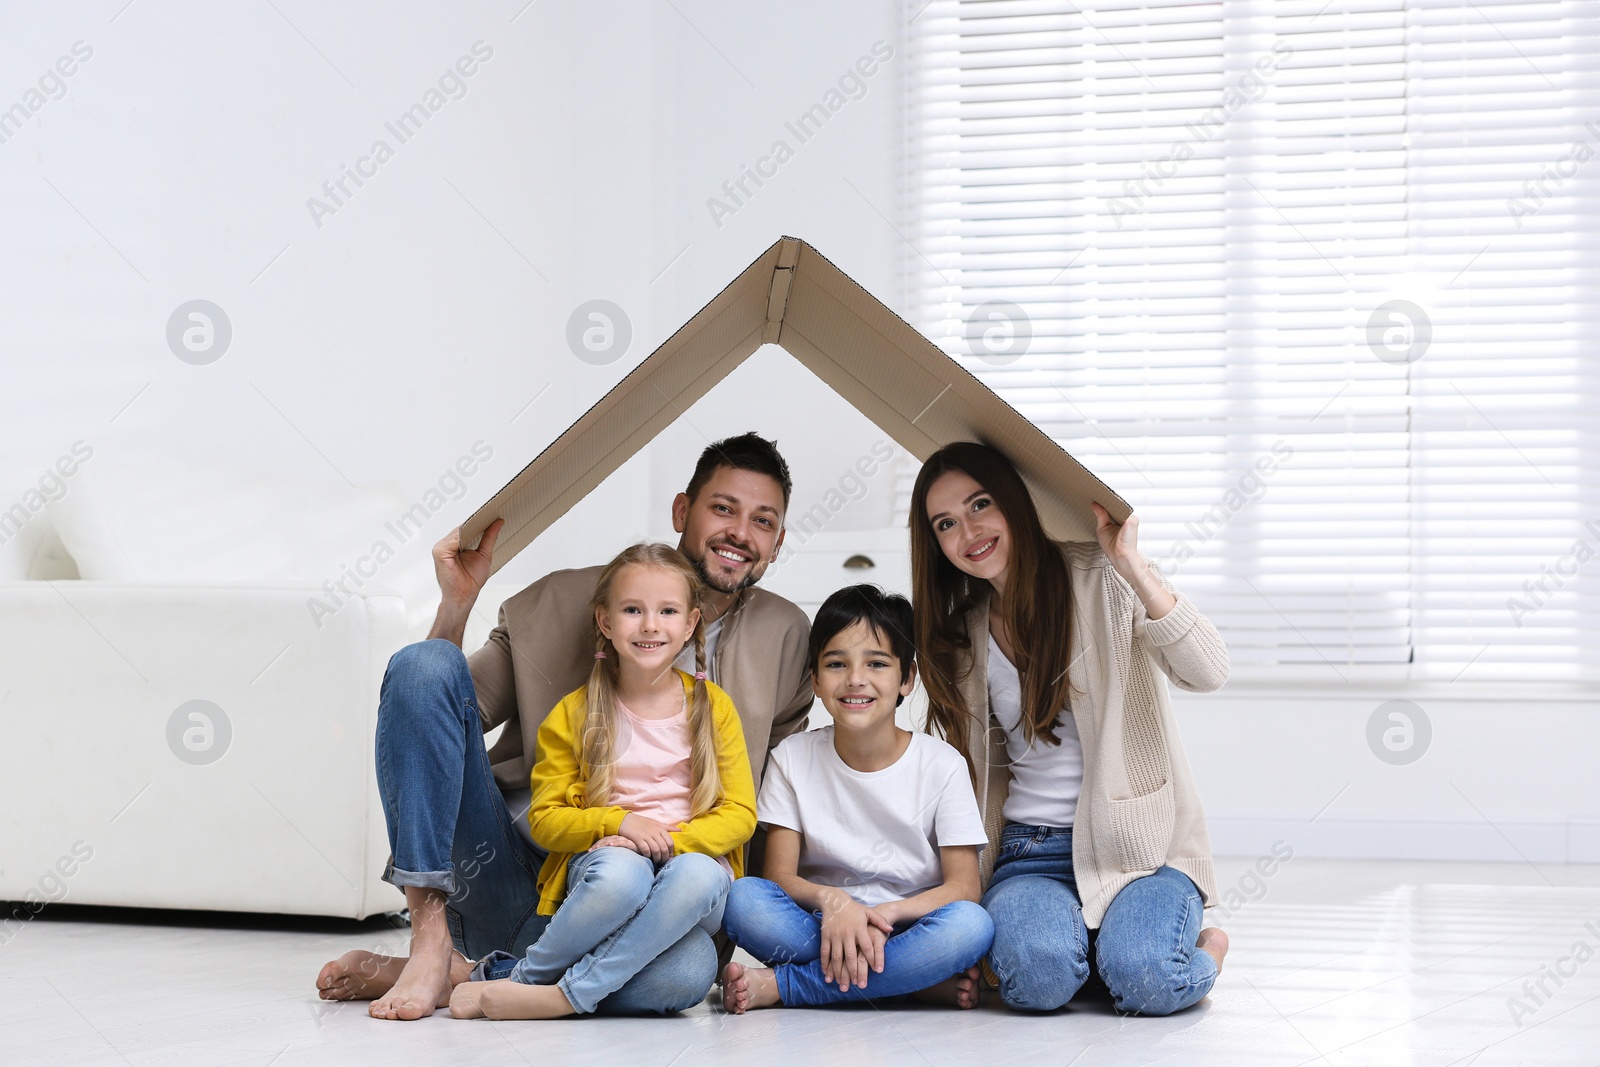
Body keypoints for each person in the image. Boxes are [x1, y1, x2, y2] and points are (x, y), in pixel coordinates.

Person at [315, 433, 812, 1020]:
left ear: (777, 543)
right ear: (683, 511)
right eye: (723, 509)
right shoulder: (563, 599)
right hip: (521, 871)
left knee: (681, 979)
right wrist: (456, 605)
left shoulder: (785, 636)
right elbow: (432, 710)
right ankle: (430, 941)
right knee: (421, 666)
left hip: (666, 899)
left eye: (763, 521)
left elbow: (778, 799)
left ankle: (483, 975)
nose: (739, 533)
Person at [909, 441, 1230, 1015]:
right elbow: (968, 773)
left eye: (981, 504)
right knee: (1035, 981)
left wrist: (1132, 565)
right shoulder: (962, 636)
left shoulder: (1101, 578)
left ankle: (1199, 948)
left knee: (1148, 979)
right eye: (947, 523)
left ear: (1013, 502)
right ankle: (1092, 947)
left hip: (1140, 852)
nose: (969, 531)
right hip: (1029, 853)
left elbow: (1207, 672)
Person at [449, 542, 756, 1019]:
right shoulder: (572, 714)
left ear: (691, 624)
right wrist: (623, 824)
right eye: (633, 610)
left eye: (668, 611)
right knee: (681, 959)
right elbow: (548, 820)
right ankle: (563, 990)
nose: (650, 624)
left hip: (692, 878)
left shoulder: (713, 708)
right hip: (608, 872)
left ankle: (529, 984)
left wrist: (670, 841)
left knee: (697, 876)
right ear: (606, 622)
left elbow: (740, 813)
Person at [720, 584, 993, 1012]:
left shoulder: (943, 764)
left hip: (908, 926)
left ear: (907, 679)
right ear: (814, 678)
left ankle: (789, 986)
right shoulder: (792, 757)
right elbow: (778, 877)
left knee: (971, 926)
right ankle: (910, 982)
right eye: (835, 663)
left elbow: (963, 887)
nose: (855, 679)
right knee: (741, 900)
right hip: (820, 924)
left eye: (877, 663)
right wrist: (836, 902)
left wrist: (883, 915)